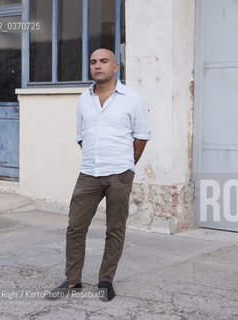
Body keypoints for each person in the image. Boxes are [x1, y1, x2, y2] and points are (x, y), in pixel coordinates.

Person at [47, 48, 151, 301]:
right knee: (75, 227)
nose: (97, 66)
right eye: (93, 62)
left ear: (116, 68)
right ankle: (73, 281)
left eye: (104, 61)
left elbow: (142, 135)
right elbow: (81, 136)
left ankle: (106, 281)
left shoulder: (131, 98)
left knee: (115, 229)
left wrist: (126, 164)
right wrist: (97, 158)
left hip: (119, 175)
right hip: (89, 174)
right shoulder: (84, 99)